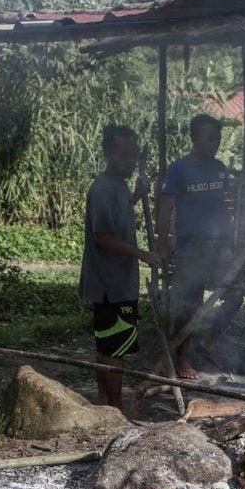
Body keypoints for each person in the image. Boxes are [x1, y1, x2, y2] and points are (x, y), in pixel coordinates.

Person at [78, 124, 161, 413]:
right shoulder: (102, 189)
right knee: (114, 349)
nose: (129, 162)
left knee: (111, 347)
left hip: (117, 283)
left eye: (133, 156)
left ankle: (107, 405)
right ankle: (114, 406)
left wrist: (136, 195)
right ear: (108, 154)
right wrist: (143, 254)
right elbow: (103, 237)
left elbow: (119, 215)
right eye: (122, 156)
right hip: (110, 285)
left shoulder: (120, 187)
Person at [156, 114, 239, 379]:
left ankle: (210, 341)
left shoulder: (219, 169)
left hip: (217, 246)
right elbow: (165, 207)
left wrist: (228, 243)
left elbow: (224, 209)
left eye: (217, 138)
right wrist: (162, 243)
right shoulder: (179, 169)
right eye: (209, 138)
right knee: (189, 302)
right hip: (191, 245)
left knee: (235, 293)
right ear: (195, 138)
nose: (214, 143)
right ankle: (182, 356)